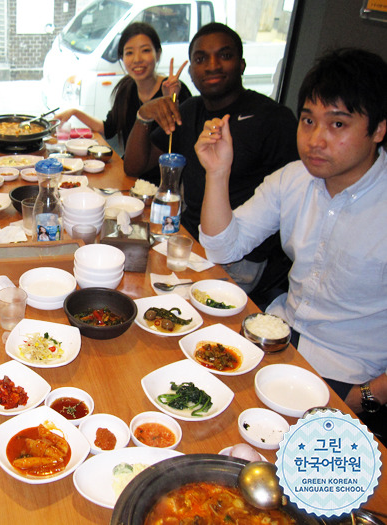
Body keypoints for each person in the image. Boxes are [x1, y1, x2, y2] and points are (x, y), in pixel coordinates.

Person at [195, 48, 387, 440]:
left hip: (349, 377)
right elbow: (222, 248)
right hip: (278, 342)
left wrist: (365, 396)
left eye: (337, 124)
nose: (316, 140)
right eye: (308, 121)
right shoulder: (293, 179)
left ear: (379, 129)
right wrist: (219, 172)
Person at [124, 23, 298, 305]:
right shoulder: (189, 110)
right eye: (201, 58)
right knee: (122, 273)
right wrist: (143, 116)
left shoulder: (273, 118)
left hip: (241, 257)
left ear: (241, 64)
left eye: (224, 55)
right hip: (184, 238)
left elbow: (295, 202)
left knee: (151, 302)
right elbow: (134, 166)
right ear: (191, 70)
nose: (212, 65)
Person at [55, 22, 191, 152]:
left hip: (165, 173)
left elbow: (183, 141)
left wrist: (170, 99)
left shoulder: (176, 89)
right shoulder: (126, 89)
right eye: (129, 52)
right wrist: (74, 112)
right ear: (122, 58)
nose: (137, 59)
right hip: (132, 169)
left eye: (145, 50)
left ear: (158, 53)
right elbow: (108, 128)